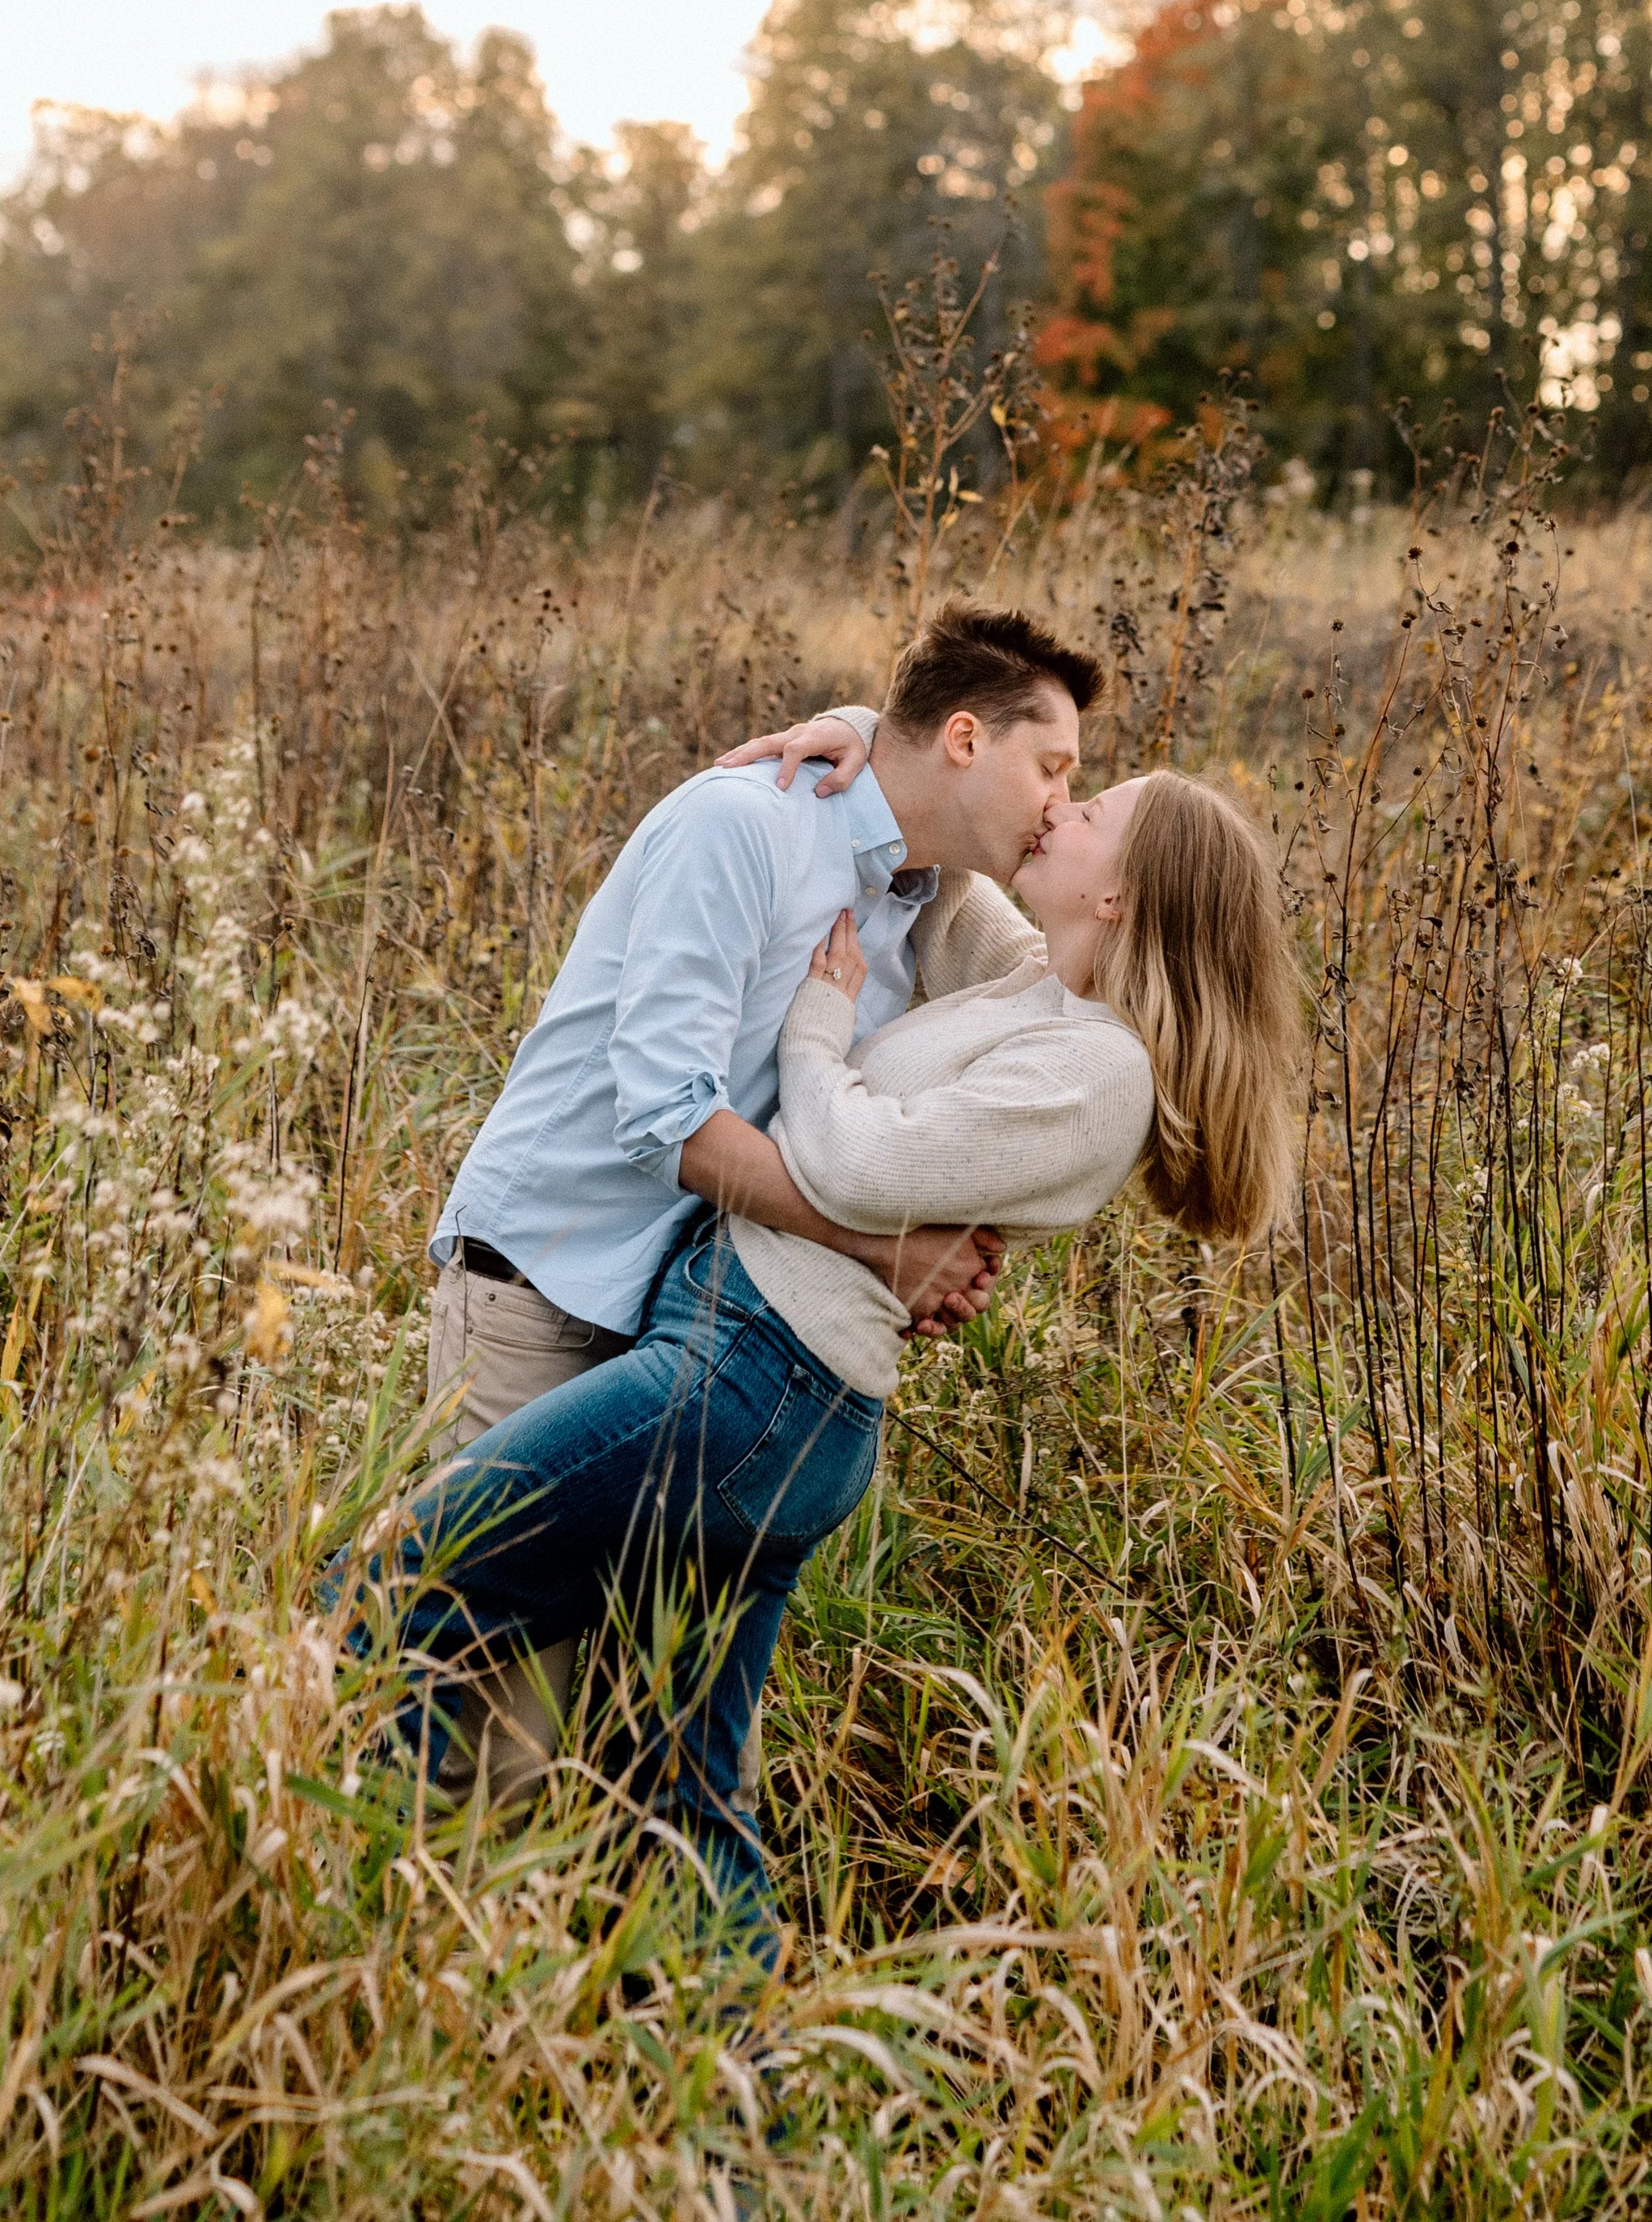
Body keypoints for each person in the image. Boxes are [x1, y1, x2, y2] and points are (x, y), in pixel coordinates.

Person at [360, 659, 1303, 1960]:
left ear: (1121, 893)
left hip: (755, 1379)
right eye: (1059, 776)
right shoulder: (1033, 975)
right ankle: (711, 2076)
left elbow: (854, 1160)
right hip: (741, 1359)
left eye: (1087, 805)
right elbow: (938, 816)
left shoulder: (1099, 1070)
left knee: (403, 1581)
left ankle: (396, 1956)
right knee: (672, 1792)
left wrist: (819, 1025)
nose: (1060, 808)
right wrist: (868, 731)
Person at [407, 603, 1101, 1807]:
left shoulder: (922, 896)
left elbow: (1082, 982)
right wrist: (879, 1249)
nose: (1060, 801)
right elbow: (665, 1118)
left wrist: (860, 722)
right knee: (490, 1738)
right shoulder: (745, 825)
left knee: (641, 1755)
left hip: (694, 1331)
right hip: (546, 1290)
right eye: (1054, 766)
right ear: (967, 739)